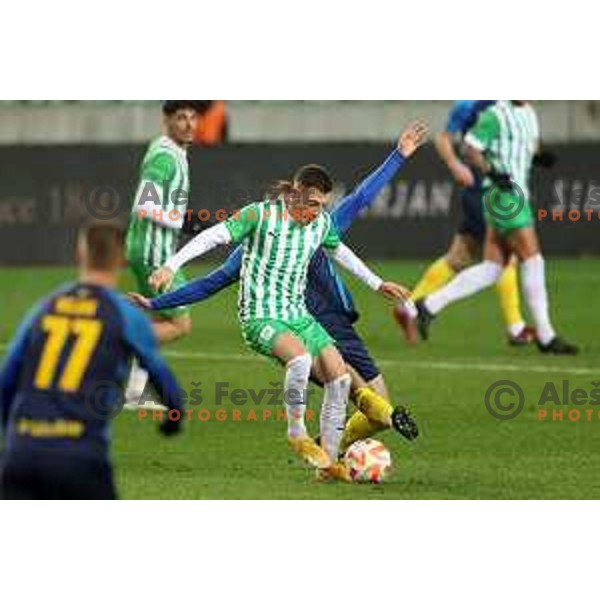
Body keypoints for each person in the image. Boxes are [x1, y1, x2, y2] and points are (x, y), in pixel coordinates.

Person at [130, 122, 429, 453]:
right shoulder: (255, 239)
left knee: (362, 395)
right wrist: (160, 299)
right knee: (346, 385)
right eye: (312, 204)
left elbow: (360, 198)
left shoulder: (322, 224)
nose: (316, 212)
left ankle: (335, 450)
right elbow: (209, 282)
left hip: (330, 322)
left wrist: (399, 155)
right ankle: (328, 440)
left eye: (321, 206)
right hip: (277, 323)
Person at [0, 222, 183, 500]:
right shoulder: (125, 315)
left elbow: (7, 380)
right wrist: (174, 417)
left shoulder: (45, 307)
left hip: (23, 455)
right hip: (82, 456)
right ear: (122, 260)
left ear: (79, 254)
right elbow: (160, 376)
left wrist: (12, 438)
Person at [414, 101, 578, 356]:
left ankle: (429, 305)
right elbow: (470, 149)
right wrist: (492, 171)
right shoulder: (494, 114)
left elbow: (525, 146)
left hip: (516, 194)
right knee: (533, 259)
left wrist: (538, 157)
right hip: (504, 196)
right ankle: (546, 336)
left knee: (493, 268)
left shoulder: (528, 113)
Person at [395, 101, 535, 346]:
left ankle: (409, 308)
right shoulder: (472, 105)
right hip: (484, 190)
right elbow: (444, 138)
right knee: (506, 255)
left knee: (458, 257)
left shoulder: (510, 106)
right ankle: (516, 328)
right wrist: (455, 164)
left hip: (492, 190)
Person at [124, 100, 201, 409]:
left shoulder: (169, 149)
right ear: (166, 120)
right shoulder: (166, 157)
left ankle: (134, 393)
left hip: (151, 246)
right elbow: (145, 204)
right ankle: (117, 346)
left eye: (193, 117)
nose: (189, 124)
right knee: (181, 324)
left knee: (155, 316)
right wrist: (181, 220)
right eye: (181, 117)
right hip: (154, 252)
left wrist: (181, 219)